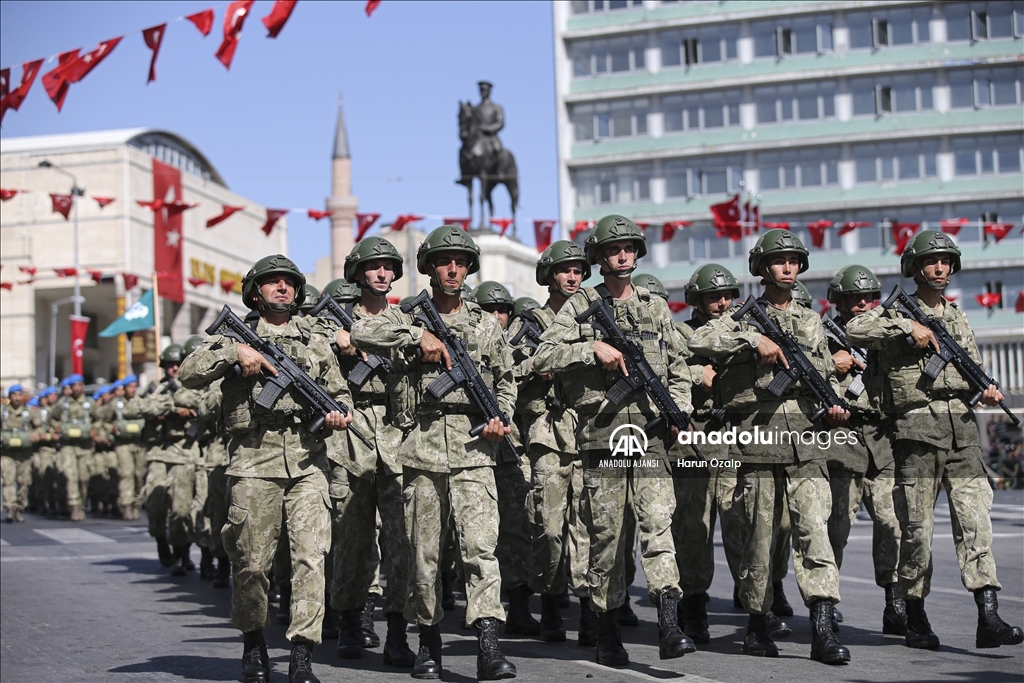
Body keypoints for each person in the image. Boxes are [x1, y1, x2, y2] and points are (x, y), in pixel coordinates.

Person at [351, 225, 517, 680]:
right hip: (421, 450)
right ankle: (428, 642)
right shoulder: (406, 316)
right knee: (424, 554)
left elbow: (506, 379)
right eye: (444, 261)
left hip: (475, 448)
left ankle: (488, 645)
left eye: (461, 262)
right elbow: (361, 332)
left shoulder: (486, 324)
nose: (453, 269)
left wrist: (503, 416)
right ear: (428, 267)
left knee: (481, 550)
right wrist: (415, 338)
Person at [846, 231, 1023, 650]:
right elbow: (856, 327)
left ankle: (988, 614)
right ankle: (916, 615)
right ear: (915, 267)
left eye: (946, 260)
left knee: (975, 522)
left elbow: (972, 367)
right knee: (917, 529)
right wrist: (906, 324)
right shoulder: (892, 313)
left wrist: (986, 390)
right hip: (916, 432)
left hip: (961, 430)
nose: (940, 268)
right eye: (932, 260)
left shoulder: (957, 316)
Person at [180, 254, 353, 683]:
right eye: (271, 282)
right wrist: (234, 352)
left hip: (308, 463)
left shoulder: (315, 339)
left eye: (288, 282)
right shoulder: (233, 337)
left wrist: (338, 415)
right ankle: (254, 642)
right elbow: (188, 373)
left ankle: (301, 654)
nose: (282, 288)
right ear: (255, 292)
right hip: (253, 462)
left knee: (310, 559)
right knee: (251, 563)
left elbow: (341, 395)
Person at [533, 215, 693, 666]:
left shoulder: (654, 306)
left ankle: (669, 624)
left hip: (650, 436)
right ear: (599, 257)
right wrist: (591, 349)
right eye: (613, 249)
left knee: (658, 528)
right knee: (607, 538)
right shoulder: (580, 304)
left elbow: (678, 365)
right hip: (602, 438)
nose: (622, 256)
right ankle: (605, 629)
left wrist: (679, 410)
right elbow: (542, 354)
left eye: (628, 248)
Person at [688, 229, 850, 663]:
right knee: (758, 541)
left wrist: (835, 405)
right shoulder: (742, 315)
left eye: (794, 260)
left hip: (805, 443)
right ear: (761, 268)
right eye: (779, 261)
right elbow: (699, 340)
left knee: (814, 533)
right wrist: (751, 339)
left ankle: (822, 629)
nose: (788, 267)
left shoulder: (812, 319)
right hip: (758, 444)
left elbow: (824, 375)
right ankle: (757, 626)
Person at [326, 236, 416, 668]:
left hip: (398, 433)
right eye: (373, 267)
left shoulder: (409, 321)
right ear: (358, 273)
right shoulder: (334, 324)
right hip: (352, 433)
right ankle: (351, 620)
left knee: (400, 539)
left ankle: (397, 630)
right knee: (352, 539)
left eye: (388, 267)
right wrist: (340, 345)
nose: (382, 273)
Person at [508, 240, 592, 644]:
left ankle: (590, 607)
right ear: (549, 275)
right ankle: (550, 599)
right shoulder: (530, 323)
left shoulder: (594, 316)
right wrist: (535, 369)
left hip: (590, 432)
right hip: (545, 433)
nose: (572, 277)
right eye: (564, 270)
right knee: (549, 526)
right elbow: (505, 368)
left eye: (577, 270)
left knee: (589, 526)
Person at [823, 265, 905, 635]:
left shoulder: (885, 336)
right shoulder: (824, 338)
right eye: (853, 298)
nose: (861, 304)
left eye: (868, 298)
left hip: (882, 441)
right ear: (838, 302)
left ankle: (896, 601)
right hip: (843, 442)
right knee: (835, 528)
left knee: (892, 526)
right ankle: (826, 602)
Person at [474, 280, 542, 637]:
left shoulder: (518, 347)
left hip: (512, 447)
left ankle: (517, 602)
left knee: (517, 527)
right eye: (490, 310)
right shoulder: (469, 342)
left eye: (502, 311)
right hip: (469, 448)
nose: (497, 317)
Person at [49, 374, 92, 522]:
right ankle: (74, 506)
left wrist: (96, 429)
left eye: (80, 385)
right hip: (68, 446)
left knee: (84, 477)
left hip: (85, 446)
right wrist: (57, 429)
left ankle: (82, 503)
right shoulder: (63, 403)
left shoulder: (89, 403)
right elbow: (51, 417)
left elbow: (100, 418)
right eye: (75, 385)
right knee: (71, 476)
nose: (78, 388)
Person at [1, 384, 35, 522]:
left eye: (19, 394)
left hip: (24, 453)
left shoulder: (30, 412)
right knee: (8, 481)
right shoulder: (3, 412)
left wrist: (35, 435)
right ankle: (9, 508)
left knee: (24, 482)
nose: (17, 397)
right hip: (7, 452)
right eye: (14, 395)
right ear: (9, 396)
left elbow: (39, 427)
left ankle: (20, 508)